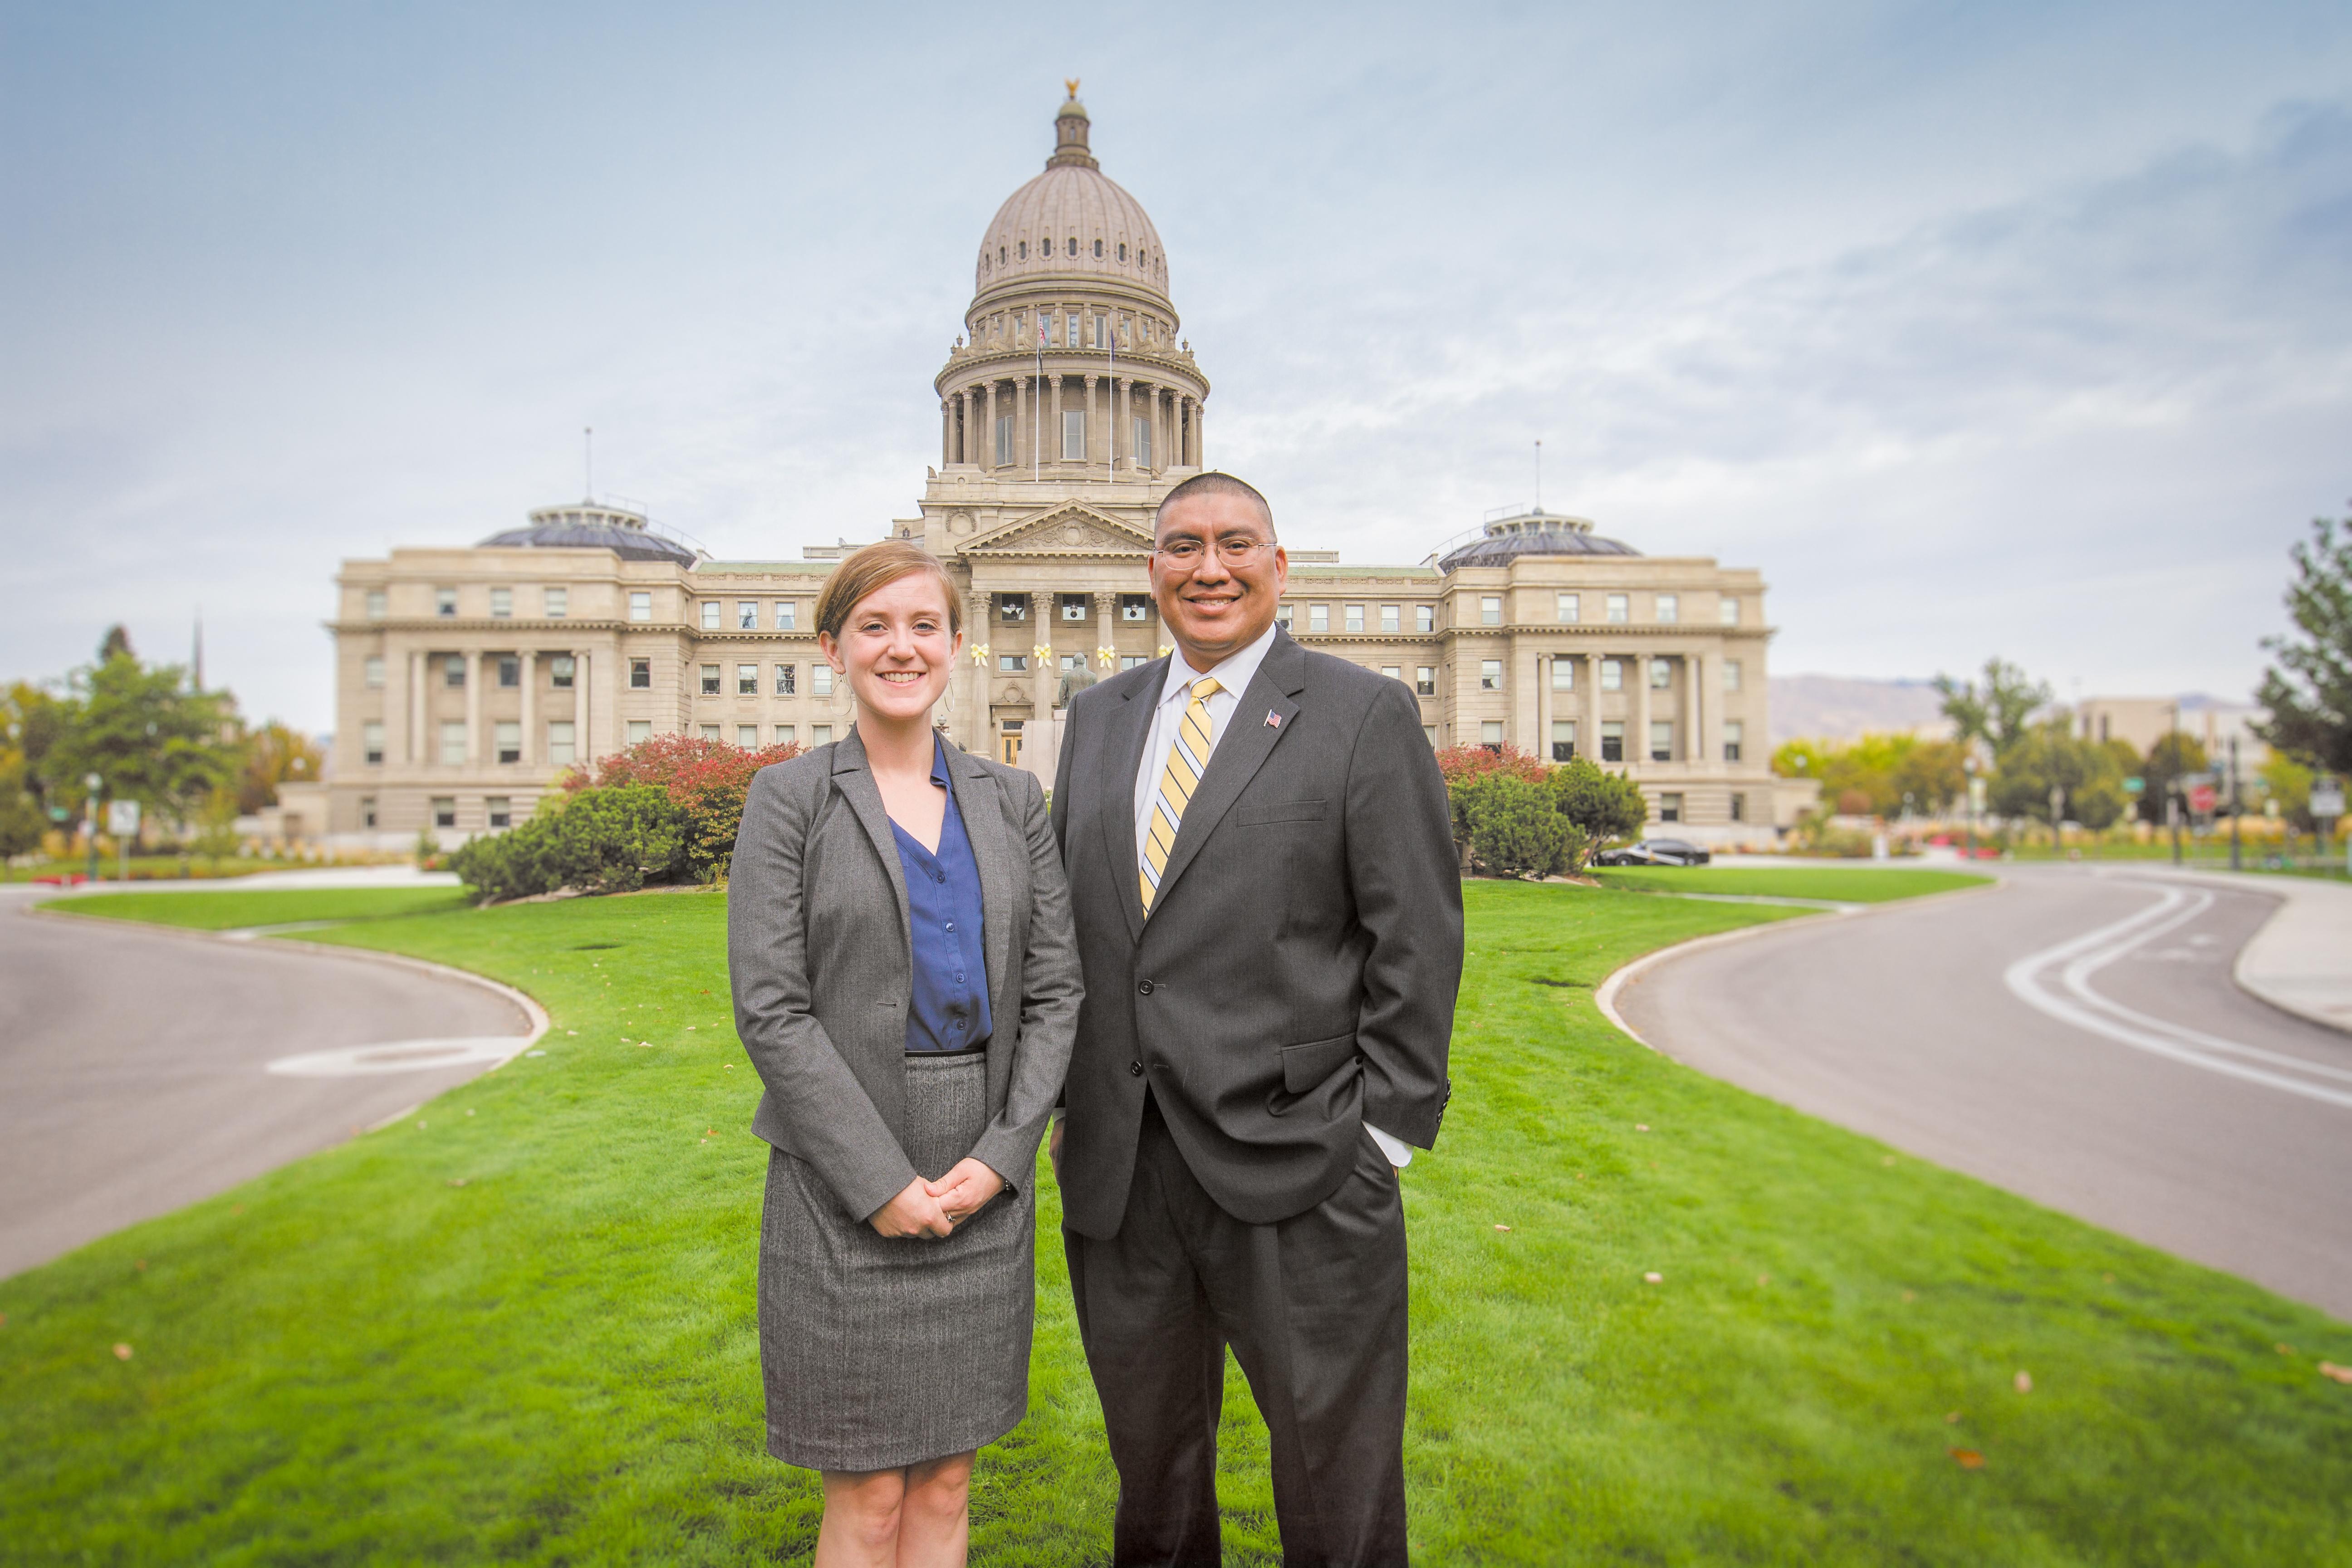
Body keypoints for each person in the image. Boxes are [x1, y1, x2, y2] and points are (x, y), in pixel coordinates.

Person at [1049, 472, 1464, 1565]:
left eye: (1237, 544)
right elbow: (1078, 926)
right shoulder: (1096, 718)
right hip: (1124, 1173)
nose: (1209, 567)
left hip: (1301, 1158)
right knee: (1155, 1476)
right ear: (1152, 572)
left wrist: (1382, 1134)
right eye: (1183, 547)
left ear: (1279, 566)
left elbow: (1416, 933)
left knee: (1337, 1481)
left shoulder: (1359, 711)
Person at [730, 539, 1082, 1568]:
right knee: (870, 1490)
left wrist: (1006, 1154)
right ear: (833, 648)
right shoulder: (788, 799)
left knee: (947, 1480)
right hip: (840, 1173)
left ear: (957, 646)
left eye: (924, 625)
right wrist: (879, 1180)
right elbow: (772, 1009)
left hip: (981, 1158)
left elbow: (1057, 990)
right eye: (875, 626)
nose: (902, 647)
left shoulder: (1011, 802)